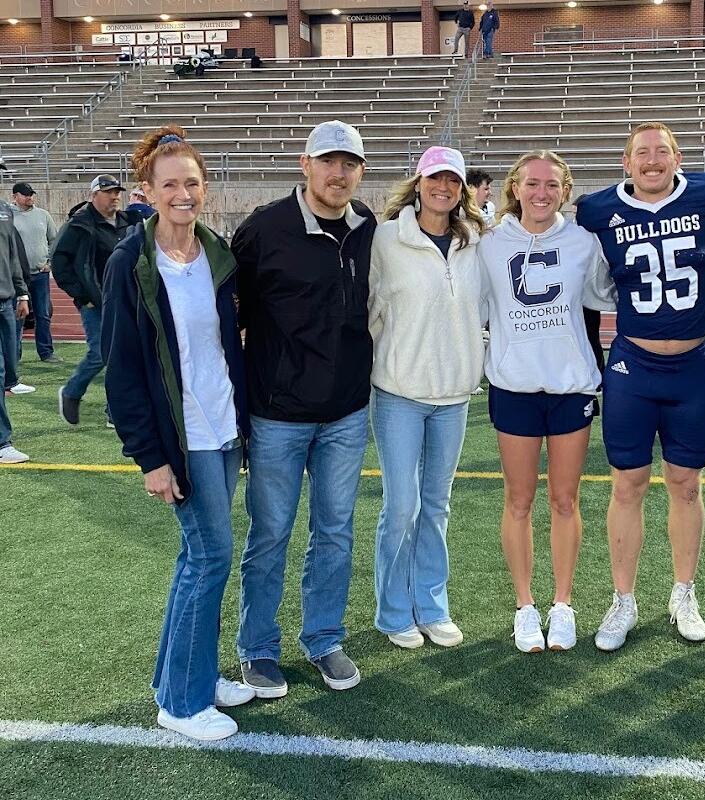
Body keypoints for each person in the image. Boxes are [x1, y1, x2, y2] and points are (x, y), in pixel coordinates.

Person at [102, 126, 253, 741]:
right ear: (149, 190)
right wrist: (150, 458)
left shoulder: (217, 255)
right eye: (171, 185)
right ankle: (183, 705)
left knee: (201, 557)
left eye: (192, 183)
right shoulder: (130, 265)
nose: (183, 194)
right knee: (211, 556)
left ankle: (185, 675)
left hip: (222, 429)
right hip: (181, 439)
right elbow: (123, 367)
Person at [576, 122, 705, 652]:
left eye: (661, 152)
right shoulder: (599, 210)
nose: (652, 160)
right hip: (633, 366)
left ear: (678, 158)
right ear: (625, 163)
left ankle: (683, 592)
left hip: (693, 366)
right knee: (626, 484)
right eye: (641, 153)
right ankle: (623, 598)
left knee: (686, 484)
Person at [234, 120, 376, 698]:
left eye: (349, 164)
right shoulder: (263, 230)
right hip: (277, 413)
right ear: (305, 164)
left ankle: (323, 639)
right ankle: (258, 649)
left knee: (335, 532)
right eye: (328, 161)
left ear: (360, 171)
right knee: (270, 535)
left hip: (345, 411)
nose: (338, 173)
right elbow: (229, 321)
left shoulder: (371, 229)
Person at [480, 150, 614, 652]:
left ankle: (562, 604)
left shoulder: (583, 242)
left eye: (551, 185)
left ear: (565, 190)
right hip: (514, 386)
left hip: (569, 387)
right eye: (532, 184)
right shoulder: (490, 244)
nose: (541, 193)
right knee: (518, 499)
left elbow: (607, 295)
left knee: (564, 499)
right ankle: (525, 606)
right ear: (514, 188)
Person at [369, 146, 485, 649]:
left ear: (462, 190)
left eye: (453, 181)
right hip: (398, 392)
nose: (443, 188)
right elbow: (371, 310)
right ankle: (394, 611)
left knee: (437, 505)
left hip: (454, 395)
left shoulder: (477, 241)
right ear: (417, 183)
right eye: (434, 178)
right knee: (402, 506)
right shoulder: (386, 239)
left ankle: (432, 605)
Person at [51, 175, 143, 426]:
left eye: (117, 192)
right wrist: (81, 296)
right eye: (108, 192)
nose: (115, 197)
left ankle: (114, 411)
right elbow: (59, 262)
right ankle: (72, 392)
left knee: (124, 355)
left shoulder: (128, 222)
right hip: (96, 302)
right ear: (94, 195)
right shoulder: (79, 224)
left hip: (126, 300)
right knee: (101, 354)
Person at [10, 183, 58, 364]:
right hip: (18, 276)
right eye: (25, 195)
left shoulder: (43, 215)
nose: (30, 197)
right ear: (15, 196)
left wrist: (50, 264)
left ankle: (46, 352)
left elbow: (54, 240)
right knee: (18, 316)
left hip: (40, 273)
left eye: (31, 194)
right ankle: (14, 354)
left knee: (43, 314)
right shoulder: (8, 216)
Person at [0, 204, 30, 463]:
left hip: (6, 300)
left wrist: (21, 292)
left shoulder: (4, 212)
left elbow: (12, 256)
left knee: (8, 368)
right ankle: (2, 441)